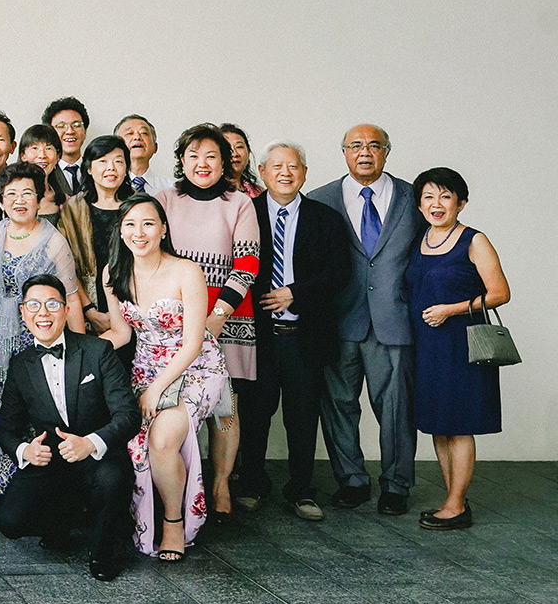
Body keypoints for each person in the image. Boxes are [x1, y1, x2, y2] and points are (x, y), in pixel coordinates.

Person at [102, 195, 230, 561]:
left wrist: (155, 391)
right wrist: (77, 351)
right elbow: (121, 333)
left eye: (148, 224)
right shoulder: (112, 272)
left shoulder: (186, 270)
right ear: (120, 231)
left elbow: (193, 343)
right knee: (133, 440)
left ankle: (174, 522)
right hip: (145, 368)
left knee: (161, 439)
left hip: (195, 368)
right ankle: (139, 517)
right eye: (130, 224)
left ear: (162, 229)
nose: (138, 232)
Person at [0, 275, 138, 582]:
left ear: (67, 309)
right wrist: (26, 451)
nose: (43, 313)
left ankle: (103, 551)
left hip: (98, 455)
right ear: (23, 312)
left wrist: (91, 442)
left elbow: (128, 415)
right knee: (10, 520)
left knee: (111, 478)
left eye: (52, 304)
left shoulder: (98, 351)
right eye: (34, 305)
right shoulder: (21, 364)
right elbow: (6, 429)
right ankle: (62, 520)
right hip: (53, 461)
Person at [306, 124, 420, 516]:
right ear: (344, 152)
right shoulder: (320, 199)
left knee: (396, 408)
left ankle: (396, 485)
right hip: (338, 320)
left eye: (374, 145)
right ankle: (351, 481)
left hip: (394, 320)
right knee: (338, 405)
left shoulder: (413, 197)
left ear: (387, 151)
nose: (365, 152)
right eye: (356, 145)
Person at [154, 124, 260, 522]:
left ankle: (220, 485)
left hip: (225, 319)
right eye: (193, 155)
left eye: (211, 156)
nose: (202, 163)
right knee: (174, 402)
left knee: (224, 406)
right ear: (181, 161)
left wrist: (216, 316)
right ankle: (176, 489)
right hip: (174, 320)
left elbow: (247, 264)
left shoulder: (239, 203)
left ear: (224, 162)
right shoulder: (165, 199)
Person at [237, 142, 349, 520]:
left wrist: (295, 294)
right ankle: (252, 484)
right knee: (254, 415)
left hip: (305, 336)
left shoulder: (325, 218)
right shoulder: (246, 213)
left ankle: (301, 491)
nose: (285, 173)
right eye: (277, 166)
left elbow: (340, 274)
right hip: (258, 336)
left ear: (304, 173)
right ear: (263, 172)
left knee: (302, 418)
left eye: (294, 167)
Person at [407, 168, 511, 531]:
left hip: (461, 345)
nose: (436, 204)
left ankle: (455, 505)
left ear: (461, 203)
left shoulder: (474, 240)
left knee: (459, 425)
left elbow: (500, 293)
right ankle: (454, 499)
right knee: (438, 425)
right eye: (429, 197)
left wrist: (450, 310)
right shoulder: (419, 240)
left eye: (445, 196)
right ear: (419, 205)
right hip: (427, 346)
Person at [0, 163, 83, 498]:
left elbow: (70, 297)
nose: (19, 200)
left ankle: (27, 492)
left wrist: (78, 349)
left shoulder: (54, 241)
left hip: (35, 338)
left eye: (27, 193)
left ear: (40, 199)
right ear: (0, 200)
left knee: (29, 411)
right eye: (11, 194)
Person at [55, 135, 132, 334]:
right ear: (89, 168)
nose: (111, 168)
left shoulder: (139, 206)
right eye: (103, 161)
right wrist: (90, 311)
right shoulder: (73, 209)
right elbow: (66, 265)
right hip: (88, 308)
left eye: (118, 162)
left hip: (134, 308)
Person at [41, 97, 90, 194]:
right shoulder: (43, 172)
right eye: (61, 126)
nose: (70, 131)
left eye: (76, 125)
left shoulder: (97, 169)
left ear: (85, 131)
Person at [114, 115, 160, 193]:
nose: (137, 137)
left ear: (155, 147)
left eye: (144, 133)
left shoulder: (171, 188)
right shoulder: (107, 186)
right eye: (129, 133)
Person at [221, 123, 262, 198]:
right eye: (227, 148)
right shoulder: (210, 192)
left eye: (239, 147)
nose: (235, 154)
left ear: (248, 151)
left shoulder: (259, 193)